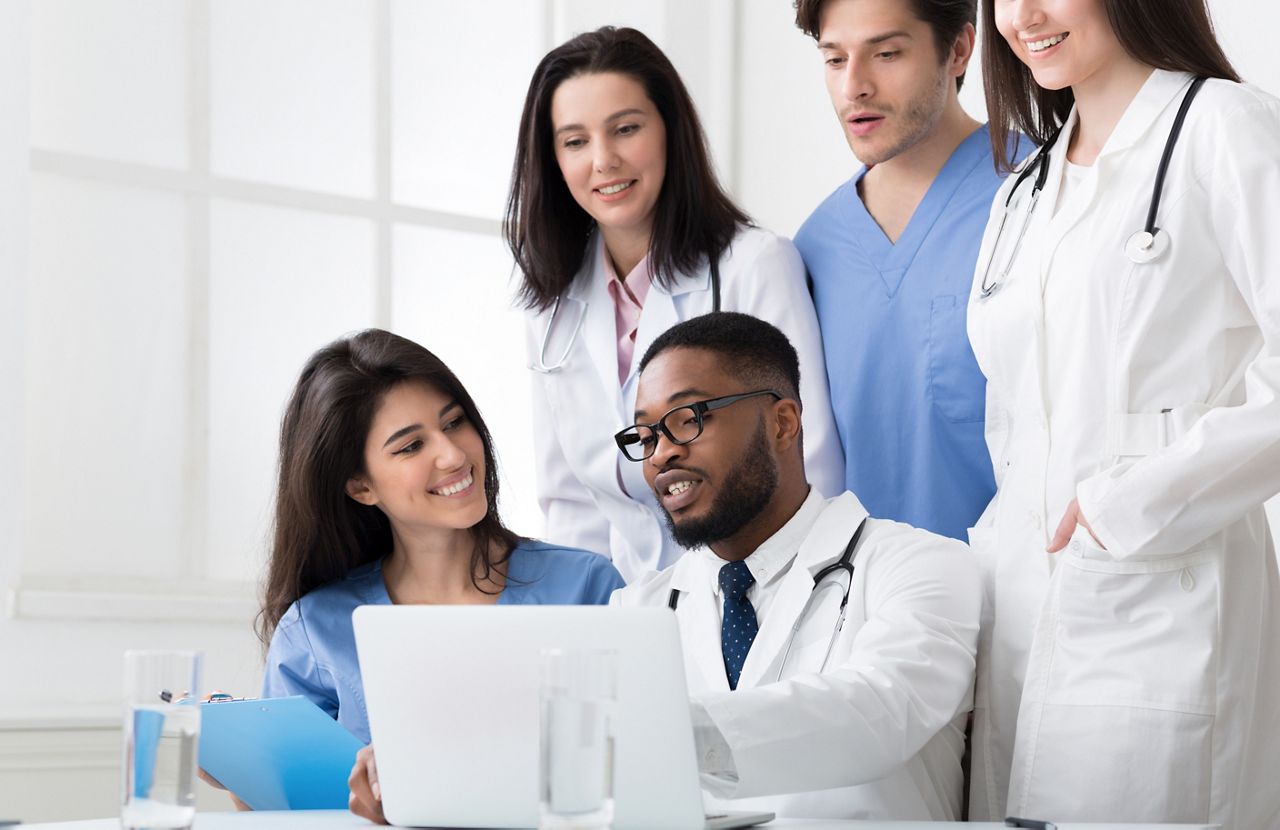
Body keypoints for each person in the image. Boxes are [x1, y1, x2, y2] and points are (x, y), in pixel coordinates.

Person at [967, 0, 1280, 825]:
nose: (1023, 15)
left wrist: (1124, 509)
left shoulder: (1223, 127)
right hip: (1019, 621)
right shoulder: (1024, 191)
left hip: (1160, 606)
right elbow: (1013, 423)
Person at [611, 312, 980, 820]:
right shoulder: (636, 611)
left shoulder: (921, 565)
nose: (660, 455)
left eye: (687, 418)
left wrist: (662, 732)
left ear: (782, 423)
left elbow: (881, 712)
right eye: (646, 435)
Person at [508, 26, 842, 582]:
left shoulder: (754, 265)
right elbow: (570, 508)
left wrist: (796, 603)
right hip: (632, 609)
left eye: (626, 129)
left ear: (670, 130)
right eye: (575, 141)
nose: (603, 160)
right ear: (552, 159)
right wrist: (593, 624)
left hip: (760, 593)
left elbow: (813, 461)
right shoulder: (551, 312)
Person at [258, 329, 624, 747]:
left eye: (454, 422)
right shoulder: (315, 630)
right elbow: (284, 798)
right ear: (361, 486)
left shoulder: (587, 585)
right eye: (411, 446)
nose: (453, 455)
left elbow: (641, 752)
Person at [792, 0, 1022, 542]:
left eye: (887, 53)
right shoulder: (813, 249)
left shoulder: (1038, 198)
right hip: (864, 608)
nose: (855, 86)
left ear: (960, 50)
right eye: (834, 59)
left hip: (1021, 598)